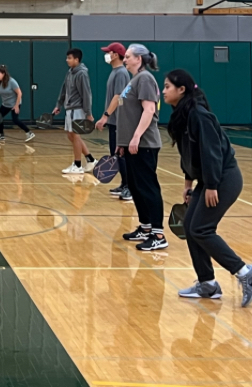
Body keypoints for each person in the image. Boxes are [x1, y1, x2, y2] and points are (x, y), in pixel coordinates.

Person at [163, 69, 252, 306]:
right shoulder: (182, 115)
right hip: (207, 180)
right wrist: (189, 184)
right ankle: (207, 283)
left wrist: (210, 185)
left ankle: (245, 273)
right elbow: (188, 153)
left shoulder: (199, 115)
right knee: (190, 225)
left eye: (167, 86)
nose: (163, 91)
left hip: (223, 179)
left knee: (202, 228)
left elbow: (212, 153)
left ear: (181, 90)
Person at [117, 43, 167, 251]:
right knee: (136, 187)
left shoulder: (145, 78)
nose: (125, 59)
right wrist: (123, 142)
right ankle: (145, 227)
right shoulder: (134, 79)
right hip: (131, 145)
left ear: (139, 59)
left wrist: (136, 137)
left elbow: (148, 110)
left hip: (144, 144)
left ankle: (158, 234)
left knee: (148, 187)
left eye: (128, 56)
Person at [95, 43, 132, 201]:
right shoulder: (115, 72)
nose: (107, 54)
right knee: (116, 154)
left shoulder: (121, 73)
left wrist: (105, 116)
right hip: (114, 121)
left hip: (119, 121)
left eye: (109, 52)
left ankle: (130, 187)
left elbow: (118, 97)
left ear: (116, 55)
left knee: (121, 155)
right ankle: (124, 184)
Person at [52, 48, 96, 174]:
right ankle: (90, 159)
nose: (67, 60)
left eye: (69, 58)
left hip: (77, 109)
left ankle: (77, 165)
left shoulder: (81, 73)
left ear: (77, 59)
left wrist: (88, 113)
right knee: (71, 135)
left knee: (75, 135)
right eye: (67, 58)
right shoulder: (70, 72)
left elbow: (86, 94)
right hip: (69, 108)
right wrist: (59, 104)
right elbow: (64, 89)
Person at [0, 65, 35, 143]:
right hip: (6, 104)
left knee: (15, 120)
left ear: (3, 73)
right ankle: (1, 135)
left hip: (15, 103)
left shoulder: (12, 82)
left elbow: (19, 93)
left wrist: (16, 106)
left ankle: (29, 133)